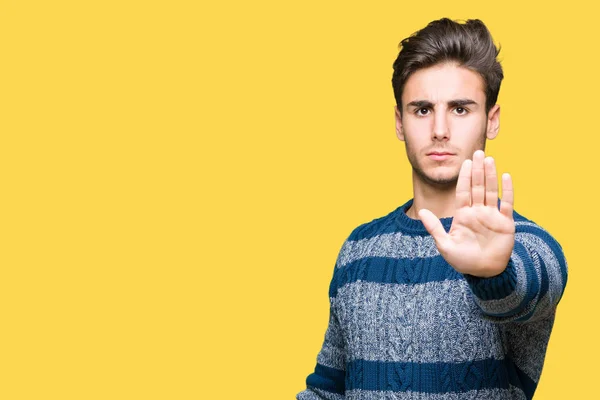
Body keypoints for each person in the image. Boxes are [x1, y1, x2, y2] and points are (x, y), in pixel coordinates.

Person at [296, 18, 568, 400]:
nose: (440, 129)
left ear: (491, 120)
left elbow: (531, 288)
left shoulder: (526, 245)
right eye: (422, 110)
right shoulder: (357, 250)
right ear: (399, 122)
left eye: (460, 109)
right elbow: (327, 391)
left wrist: (493, 274)